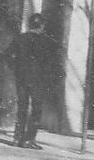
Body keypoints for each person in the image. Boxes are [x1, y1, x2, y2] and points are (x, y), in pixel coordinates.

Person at [6, 13, 61, 150]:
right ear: (41, 26)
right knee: (36, 109)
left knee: (22, 107)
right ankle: (29, 140)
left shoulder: (19, 38)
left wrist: (16, 69)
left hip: (21, 77)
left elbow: (8, 56)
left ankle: (17, 138)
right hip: (37, 79)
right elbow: (50, 62)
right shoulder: (45, 41)